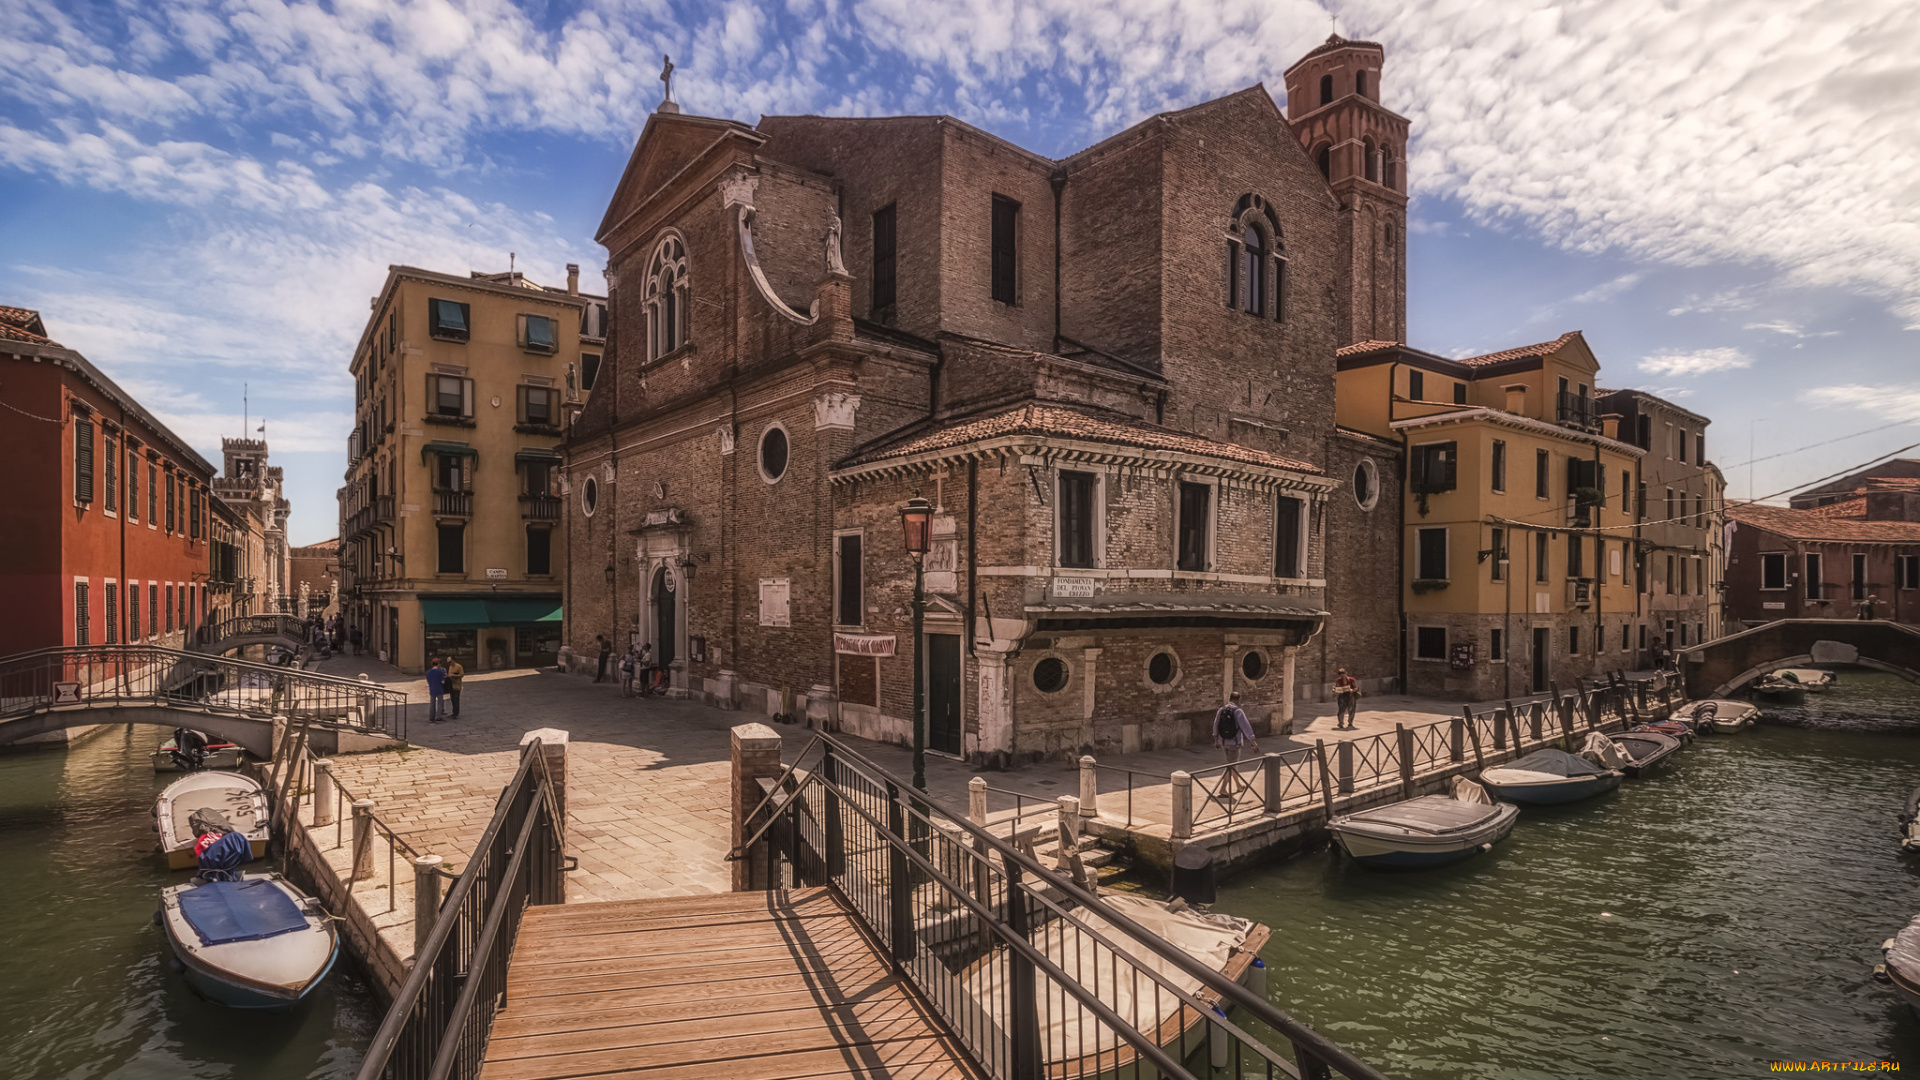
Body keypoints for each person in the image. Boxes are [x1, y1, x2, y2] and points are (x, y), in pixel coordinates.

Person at [1213, 692, 1258, 801]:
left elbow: (1215, 724)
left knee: (1232, 765)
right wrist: (1253, 742)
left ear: (1230, 699)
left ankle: (1238, 785)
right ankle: (1223, 789)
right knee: (1231, 766)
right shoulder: (1238, 711)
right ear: (1239, 699)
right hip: (1234, 743)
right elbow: (1246, 727)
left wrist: (1216, 739)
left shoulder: (1221, 710)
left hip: (1223, 742)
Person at [426, 658, 447, 723]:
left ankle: (431, 717)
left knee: (432, 703)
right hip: (439, 689)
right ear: (438, 664)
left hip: (432, 689)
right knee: (440, 703)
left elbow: (428, 681)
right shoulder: (440, 671)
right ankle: (438, 717)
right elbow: (443, 681)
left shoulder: (428, 672)